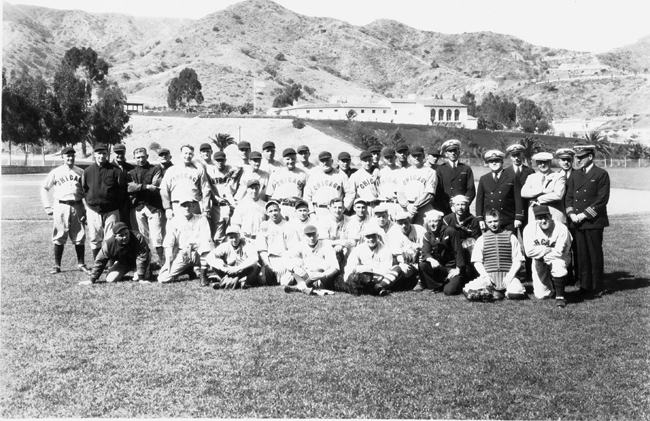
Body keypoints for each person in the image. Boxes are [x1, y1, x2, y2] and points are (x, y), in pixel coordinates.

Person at [565, 145, 610, 297]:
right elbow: (569, 196)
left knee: (594, 253)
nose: (578, 160)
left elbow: (601, 200)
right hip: (576, 220)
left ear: (590, 157)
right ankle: (584, 285)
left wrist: (583, 215)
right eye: (577, 158)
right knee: (582, 253)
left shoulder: (601, 174)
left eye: (581, 158)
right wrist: (571, 213)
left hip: (593, 221)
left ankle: (598, 286)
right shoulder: (575, 175)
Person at [41, 146, 90, 275]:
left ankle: (81, 264)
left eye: (72, 155)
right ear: (62, 157)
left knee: (80, 235)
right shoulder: (56, 172)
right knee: (59, 235)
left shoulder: (80, 172)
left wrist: (87, 209)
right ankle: (57, 265)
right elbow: (44, 188)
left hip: (78, 205)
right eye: (67, 156)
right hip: (61, 205)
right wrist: (47, 205)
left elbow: (86, 191)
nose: (70, 158)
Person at [464, 210, 527, 301]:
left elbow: (518, 260)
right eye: (490, 222)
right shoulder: (482, 239)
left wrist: (510, 275)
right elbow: (477, 261)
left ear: (500, 220)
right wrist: (485, 275)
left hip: (508, 276)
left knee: (516, 293)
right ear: (486, 223)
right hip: (489, 277)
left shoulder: (511, 237)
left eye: (495, 221)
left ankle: (499, 293)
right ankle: (493, 292)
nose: (493, 224)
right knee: (469, 289)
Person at [82, 143, 127, 260]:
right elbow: (84, 189)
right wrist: (90, 203)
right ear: (94, 154)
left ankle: (110, 264)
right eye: (99, 153)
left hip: (111, 209)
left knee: (111, 237)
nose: (101, 156)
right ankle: (98, 262)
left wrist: (116, 205)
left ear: (107, 154)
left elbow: (122, 190)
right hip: (93, 209)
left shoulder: (116, 170)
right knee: (94, 237)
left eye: (104, 153)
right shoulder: (87, 171)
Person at [157, 195, 214, 286]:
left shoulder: (201, 219)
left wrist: (192, 245)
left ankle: (203, 276)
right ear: (179, 207)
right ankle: (186, 269)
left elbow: (206, 237)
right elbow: (169, 242)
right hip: (182, 253)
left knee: (208, 244)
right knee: (163, 278)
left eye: (189, 205)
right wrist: (168, 260)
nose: (187, 208)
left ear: (193, 206)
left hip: (198, 253)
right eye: (184, 206)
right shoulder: (174, 221)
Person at [523, 205, 573, 306]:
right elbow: (529, 252)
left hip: (560, 257)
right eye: (539, 218)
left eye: (545, 217)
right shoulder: (529, 229)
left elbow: (560, 252)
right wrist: (547, 249)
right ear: (535, 219)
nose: (543, 221)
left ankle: (560, 297)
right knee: (542, 295)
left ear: (551, 216)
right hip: (539, 260)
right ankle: (552, 285)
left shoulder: (561, 228)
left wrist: (542, 253)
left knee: (558, 265)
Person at [79, 222, 151, 285]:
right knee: (110, 279)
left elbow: (142, 256)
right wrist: (92, 280)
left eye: (126, 233)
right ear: (115, 236)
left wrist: (141, 278)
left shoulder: (138, 237)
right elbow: (100, 261)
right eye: (121, 235)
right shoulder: (109, 244)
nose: (125, 237)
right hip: (124, 262)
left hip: (139, 260)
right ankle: (124, 269)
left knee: (139, 277)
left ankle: (146, 269)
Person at [127, 147, 165, 265]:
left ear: (147, 156)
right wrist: (145, 187)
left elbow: (155, 185)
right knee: (143, 237)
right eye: (138, 157)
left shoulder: (155, 169)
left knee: (157, 236)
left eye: (143, 157)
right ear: (134, 158)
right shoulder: (131, 172)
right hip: (139, 207)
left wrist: (138, 187)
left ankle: (162, 261)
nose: (141, 159)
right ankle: (146, 262)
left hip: (153, 207)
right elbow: (129, 187)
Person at [416, 209, 466, 294]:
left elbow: (458, 251)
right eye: (430, 221)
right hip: (441, 267)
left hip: (453, 267)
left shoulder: (450, 231)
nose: (432, 224)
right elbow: (425, 252)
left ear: (440, 222)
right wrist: (431, 259)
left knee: (449, 291)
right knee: (423, 264)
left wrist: (458, 268)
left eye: (435, 221)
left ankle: (459, 280)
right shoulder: (427, 235)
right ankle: (437, 286)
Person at [475, 150, 524, 233]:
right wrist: (480, 219)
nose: (494, 163)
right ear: (488, 163)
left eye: (497, 161)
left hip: (508, 218)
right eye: (491, 161)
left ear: (502, 161)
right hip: (491, 219)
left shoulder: (512, 177)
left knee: (508, 243)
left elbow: (518, 198)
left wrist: (518, 217)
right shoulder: (484, 179)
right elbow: (479, 200)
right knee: (491, 243)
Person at [160, 144, 211, 219]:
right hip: (177, 205)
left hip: (194, 204)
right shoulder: (171, 170)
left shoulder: (198, 169)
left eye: (190, 154)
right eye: (185, 153)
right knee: (178, 229)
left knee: (195, 229)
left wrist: (206, 209)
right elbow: (164, 190)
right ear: (180, 154)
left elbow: (206, 189)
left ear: (193, 155)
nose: (187, 156)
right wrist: (168, 208)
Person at [284, 225, 339, 295]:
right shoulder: (300, 245)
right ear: (304, 236)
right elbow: (286, 257)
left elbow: (335, 267)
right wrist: (295, 268)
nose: (312, 238)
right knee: (294, 261)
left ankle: (298, 288)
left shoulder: (325, 245)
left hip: (321, 277)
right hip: (306, 275)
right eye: (309, 236)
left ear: (318, 235)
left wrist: (323, 275)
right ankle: (307, 287)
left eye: (314, 235)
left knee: (326, 264)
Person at [343, 226, 397, 296]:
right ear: (364, 238)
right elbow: (350, 265)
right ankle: (376, 289)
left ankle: (377, 287)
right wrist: (349, 277)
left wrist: (369, 269)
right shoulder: (358, 249)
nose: (371, 239)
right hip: (361, 277)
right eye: (368, 237)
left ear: (378, 237)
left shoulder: (385, 250)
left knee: (395, 269)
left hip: (379, 278)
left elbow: (385, 270)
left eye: (373, 236)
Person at [257, 200, 299, 286]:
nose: (274, 213)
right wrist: (268, 265)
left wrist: (285, 263)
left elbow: (293, 248)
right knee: (262, 279)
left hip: (285, 259)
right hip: (271, 259)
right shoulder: (264, 226)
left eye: (275, 210)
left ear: (280, 210)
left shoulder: (288, 226)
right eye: (271, 211)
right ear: (267, 213)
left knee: (285, 282)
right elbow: (262, 249)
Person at [206, 225, 261, 289]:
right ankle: (239, 283)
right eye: (231, 237)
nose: (234, 240)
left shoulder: (247, 244)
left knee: (254, 266)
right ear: (227, 238)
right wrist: (222, 267)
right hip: (230, 271)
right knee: (214, 264)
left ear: (239, 236)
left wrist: (238, 268)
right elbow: (209, 257)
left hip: (244, 270)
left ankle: (225, 282)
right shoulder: (225, 246)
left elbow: (254, 258)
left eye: (236, 236)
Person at [202, 147, 237, 244]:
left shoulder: (231, 169)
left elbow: (241, 167)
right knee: (218, 237)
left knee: (233, 233)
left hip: (230, 205)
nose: (220, 162)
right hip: (217, 207)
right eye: (217, 160)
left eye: (222, 160)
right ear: (214, 161)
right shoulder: (209, 170)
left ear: (225, 160)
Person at [304, 151, 354, 218]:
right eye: (322, 161)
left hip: (335, 211)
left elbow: (350, 193)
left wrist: (345, 208)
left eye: (327, 160)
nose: (325, 163)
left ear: (332, 161)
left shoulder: (341, 175)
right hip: (318, 211)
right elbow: (307, 196)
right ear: (319, 162)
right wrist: (311, 212)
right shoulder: (313, 176)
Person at [521, 152, 566, 224]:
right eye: (540, 162)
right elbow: (524, 193)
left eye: (545, 162)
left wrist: (538, 199)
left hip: (553, 215)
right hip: (536, 215)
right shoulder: (531, 177)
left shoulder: (558, 177)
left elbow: (558, 195)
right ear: (536, 163)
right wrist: (542, 191)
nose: (542, 165)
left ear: (550, 162)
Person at [387, 210, 427, 290]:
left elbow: (426, 247)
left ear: (410, 220)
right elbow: (396, 254)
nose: (404, 226)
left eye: (405, 222)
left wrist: (418, 252)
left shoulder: (420, 229)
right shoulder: (393, 233)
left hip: (420, 256)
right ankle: (403, 282)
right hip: (405, 260)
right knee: (403, 269)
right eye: (400, 223)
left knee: (423, 260)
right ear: (396, 223)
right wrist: (407, 258)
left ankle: (421, 281)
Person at [434, 139, 476, 216]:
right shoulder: (440, 169)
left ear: (459, 152)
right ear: (446, 153)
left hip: (462, 208)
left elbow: (471, 190)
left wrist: (464, 203)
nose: (453, 153)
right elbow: (438, 190)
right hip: (446, 207)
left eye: (455, 150)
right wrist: (447, 204)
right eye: (450, 151)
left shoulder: (466, 168)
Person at [556, 147, 579, 283]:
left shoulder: (579, 174)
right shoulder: (554, 176)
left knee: (576, 247)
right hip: (560, 216)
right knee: (562, 246)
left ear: (572, 161)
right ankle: (566, 275)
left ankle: (579, 276)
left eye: (568, 160)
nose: (566, 162)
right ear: (558, 161)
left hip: (574, 216)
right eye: (563, 160)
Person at [266, 148, 308, 219]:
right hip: (280, 207)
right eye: (288, 159)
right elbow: (269, 195)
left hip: (296, 208)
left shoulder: (302, 174)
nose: (290, 161)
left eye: (293, 159)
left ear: (296, 159)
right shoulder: (276, 173)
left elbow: (306, 195)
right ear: (283, 160)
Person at [399, 145, 437, 225]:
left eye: (419, 155)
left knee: (423, 233)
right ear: (410, 157)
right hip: (407, 208)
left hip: (423, 207)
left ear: (423, 156)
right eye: (414, 156)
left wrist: (415, 205)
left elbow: (429, 193)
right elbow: (400, 193)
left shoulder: (430, 172)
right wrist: (408, 205)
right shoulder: (404, 172)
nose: (416, 158)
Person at [318, 198, 355, 265]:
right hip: (329, 248)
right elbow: (323, 241)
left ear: (344, 209)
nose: (337, 210)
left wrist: (342, 246)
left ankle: (347, 271)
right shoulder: (323, 221)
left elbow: (353, 240)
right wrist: (340, 242)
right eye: (334, 207)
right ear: (329, 208)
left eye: (340, 207)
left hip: (345, 248)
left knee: (352, 249)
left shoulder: (350, 220)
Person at [112, 143, 135, 228]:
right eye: (117, 153)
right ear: (112, 153)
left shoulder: (130, 168)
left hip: (127, 203)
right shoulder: (109, 167)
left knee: (127, 226)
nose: (120, 155)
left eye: (122, 153)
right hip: (113, 203)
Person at [377, 147, 402, 217]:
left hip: (396, 204)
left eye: (391, 157)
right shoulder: (380, 172)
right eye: (386, 157)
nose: (389, 159)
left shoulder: (401, 171)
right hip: (383, 203)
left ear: (395, 157)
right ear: (383, 159)